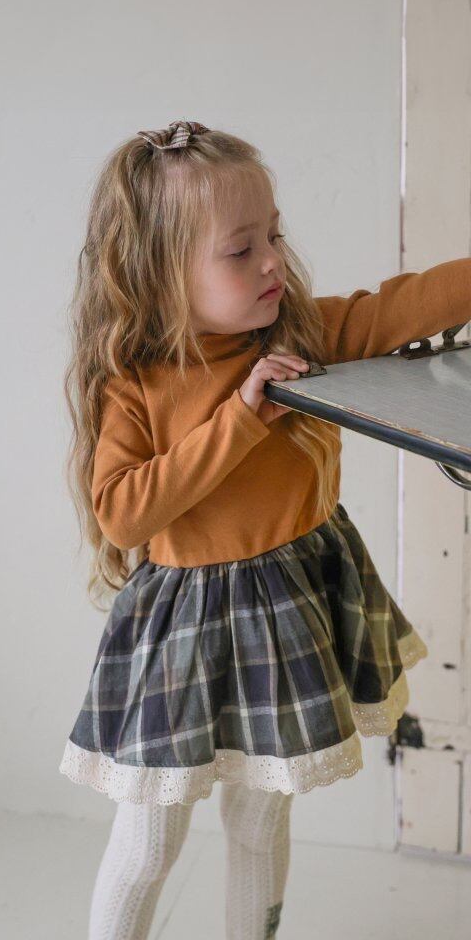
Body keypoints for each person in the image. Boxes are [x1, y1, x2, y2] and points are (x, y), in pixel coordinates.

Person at [58, 119, 471, 939]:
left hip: (292, 609)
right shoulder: (137, 383)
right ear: (159, 272)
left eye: (273, 236)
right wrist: (243, 416)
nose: (273, 261)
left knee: (259, 819)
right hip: (188, 629)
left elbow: (401, 307)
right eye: (240, 250)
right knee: (149, 839)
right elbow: (125, 511)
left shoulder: (301, 335)